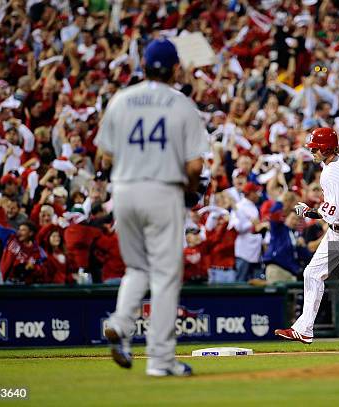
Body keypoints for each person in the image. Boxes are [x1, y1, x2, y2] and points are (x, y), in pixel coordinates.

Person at [96, 38, 208, 377]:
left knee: (137, 268)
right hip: (162, 190)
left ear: (143, 66)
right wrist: (189, 193)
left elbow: (105, 157)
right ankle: (160, 360)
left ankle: (119, 322)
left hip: (125, 191)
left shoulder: (121, 99)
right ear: (175, 68)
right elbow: (194, 167)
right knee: (165, 277)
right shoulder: (181, 104)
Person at [274, 127, 339, 344]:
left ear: (325, 148)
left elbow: (332, 214)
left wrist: (308, 212)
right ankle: (304, 329)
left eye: (315, 148)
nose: (312, 151)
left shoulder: (331, 173)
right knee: (312, 274)